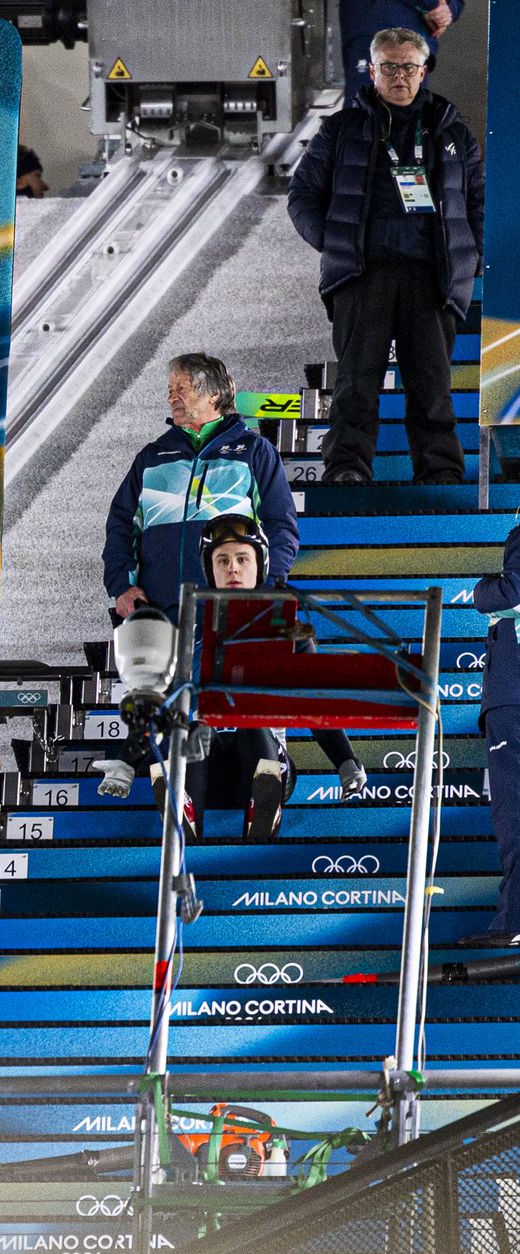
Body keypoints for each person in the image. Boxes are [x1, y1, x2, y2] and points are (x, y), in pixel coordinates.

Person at [287, 26, 483, 485]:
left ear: (424, 70)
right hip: (362, 275)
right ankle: (347, 470)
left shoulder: (452, 132)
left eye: (409, 67)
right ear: (372, 71)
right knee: (356, 384)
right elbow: (301, 195)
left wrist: (467, 257)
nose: (400, 76)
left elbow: (480, 203)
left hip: (430, 279)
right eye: (390, 67)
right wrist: (334, 241)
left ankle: (440, 472)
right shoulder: (340, 129)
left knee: (432, 386)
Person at [99, 515, 367, 839]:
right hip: (200, 762)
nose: (233, 569)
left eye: (243, 559)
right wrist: (127, 764)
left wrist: (346, 762)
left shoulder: (288, 629)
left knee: (251, 726)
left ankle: (263, 816)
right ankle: (183, 819)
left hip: (264, 761)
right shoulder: (184, 629)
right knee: (193, 729)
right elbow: (156, 704)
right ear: (210, 568)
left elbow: (313, 700)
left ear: (261, 564)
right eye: (222, 560)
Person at [104, 354, 299, 621]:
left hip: (230, 612)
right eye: (170, 391)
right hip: (156, 610)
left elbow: (281, 526)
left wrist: (267, 588)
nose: (172, 398)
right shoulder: (151, 457)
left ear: (214, 394)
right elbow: (121, 526)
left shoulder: (254, 451)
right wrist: (122, 588)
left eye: (182, 389)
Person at [467, 514, 520, 946]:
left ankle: (513, 921)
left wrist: (483, 588)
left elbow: (509, 591)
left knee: (515, 813)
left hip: (514, 698)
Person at [339, 0, 463, 105]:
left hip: (418, 35)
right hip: (377, 24)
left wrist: (448, 10)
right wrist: (433, 6)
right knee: (365, 116)